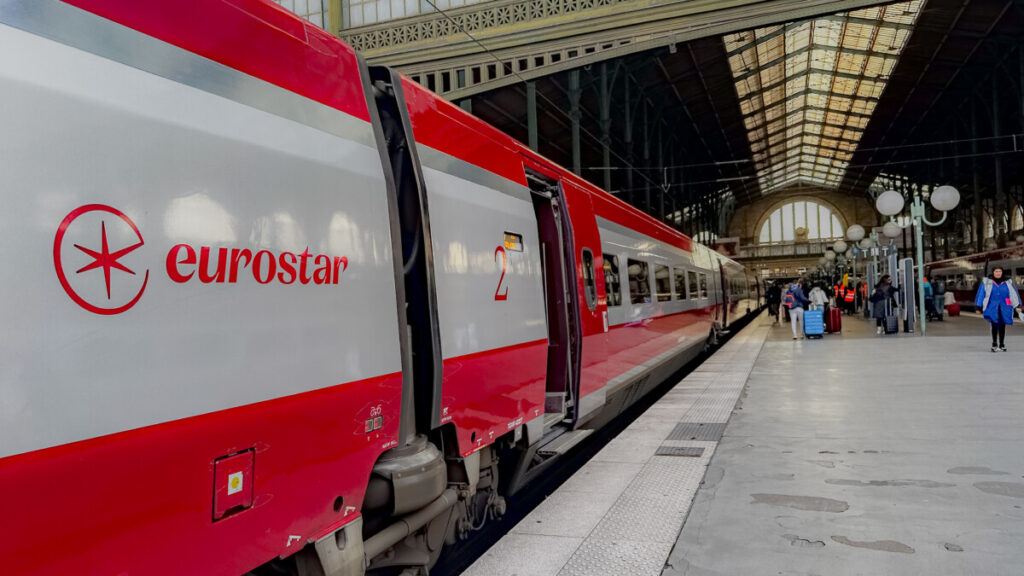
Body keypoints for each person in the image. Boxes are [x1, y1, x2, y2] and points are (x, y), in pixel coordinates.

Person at [974, 267, 1021, 352]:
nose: (998, 273)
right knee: (994, 324)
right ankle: (994, 344)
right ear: (993, 272)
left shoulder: (1008, 282)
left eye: (1000, 271)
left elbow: (1014, 294)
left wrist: (1018, 306)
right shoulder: (987, 282)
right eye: (996, 271)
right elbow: (981, 294)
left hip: (1005, 307)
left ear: (1002, 272)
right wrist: (978, 306)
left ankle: (1002, 344)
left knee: (1002, 325)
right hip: (992, 307)